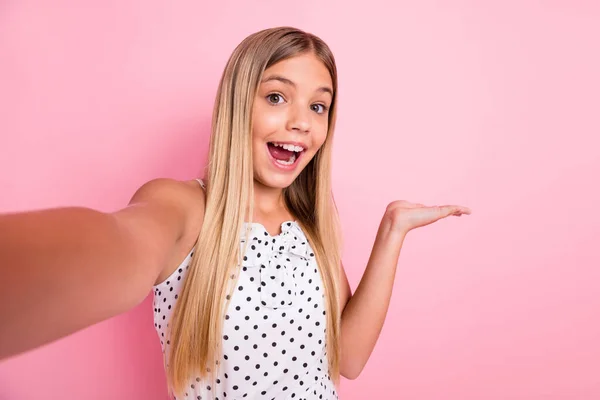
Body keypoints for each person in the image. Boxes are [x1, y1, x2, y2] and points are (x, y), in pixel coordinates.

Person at [0, 26, 471, 399]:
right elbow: (119, 245)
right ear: (236, 103)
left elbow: (347, 359)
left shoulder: (311, 231)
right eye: (276, 97)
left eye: (319, 106)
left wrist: (392, 233)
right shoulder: (186, 207)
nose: (302, 122)